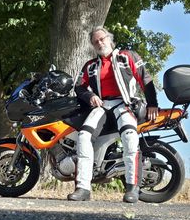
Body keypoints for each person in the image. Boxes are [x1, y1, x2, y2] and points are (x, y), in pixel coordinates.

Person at [67, 26, 159, 203]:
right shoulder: (90, 66)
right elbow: (79, 87)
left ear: (109, 39)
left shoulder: (128, 56)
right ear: (93, 46)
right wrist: (90, 96)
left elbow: (145, 79)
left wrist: (153, 104)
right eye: (95, 41)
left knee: (130, 137)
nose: (99, 43)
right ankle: (83, 188)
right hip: (102, 105)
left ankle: (132, 188)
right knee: (84, 136)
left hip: (125, 104)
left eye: (102, 39)